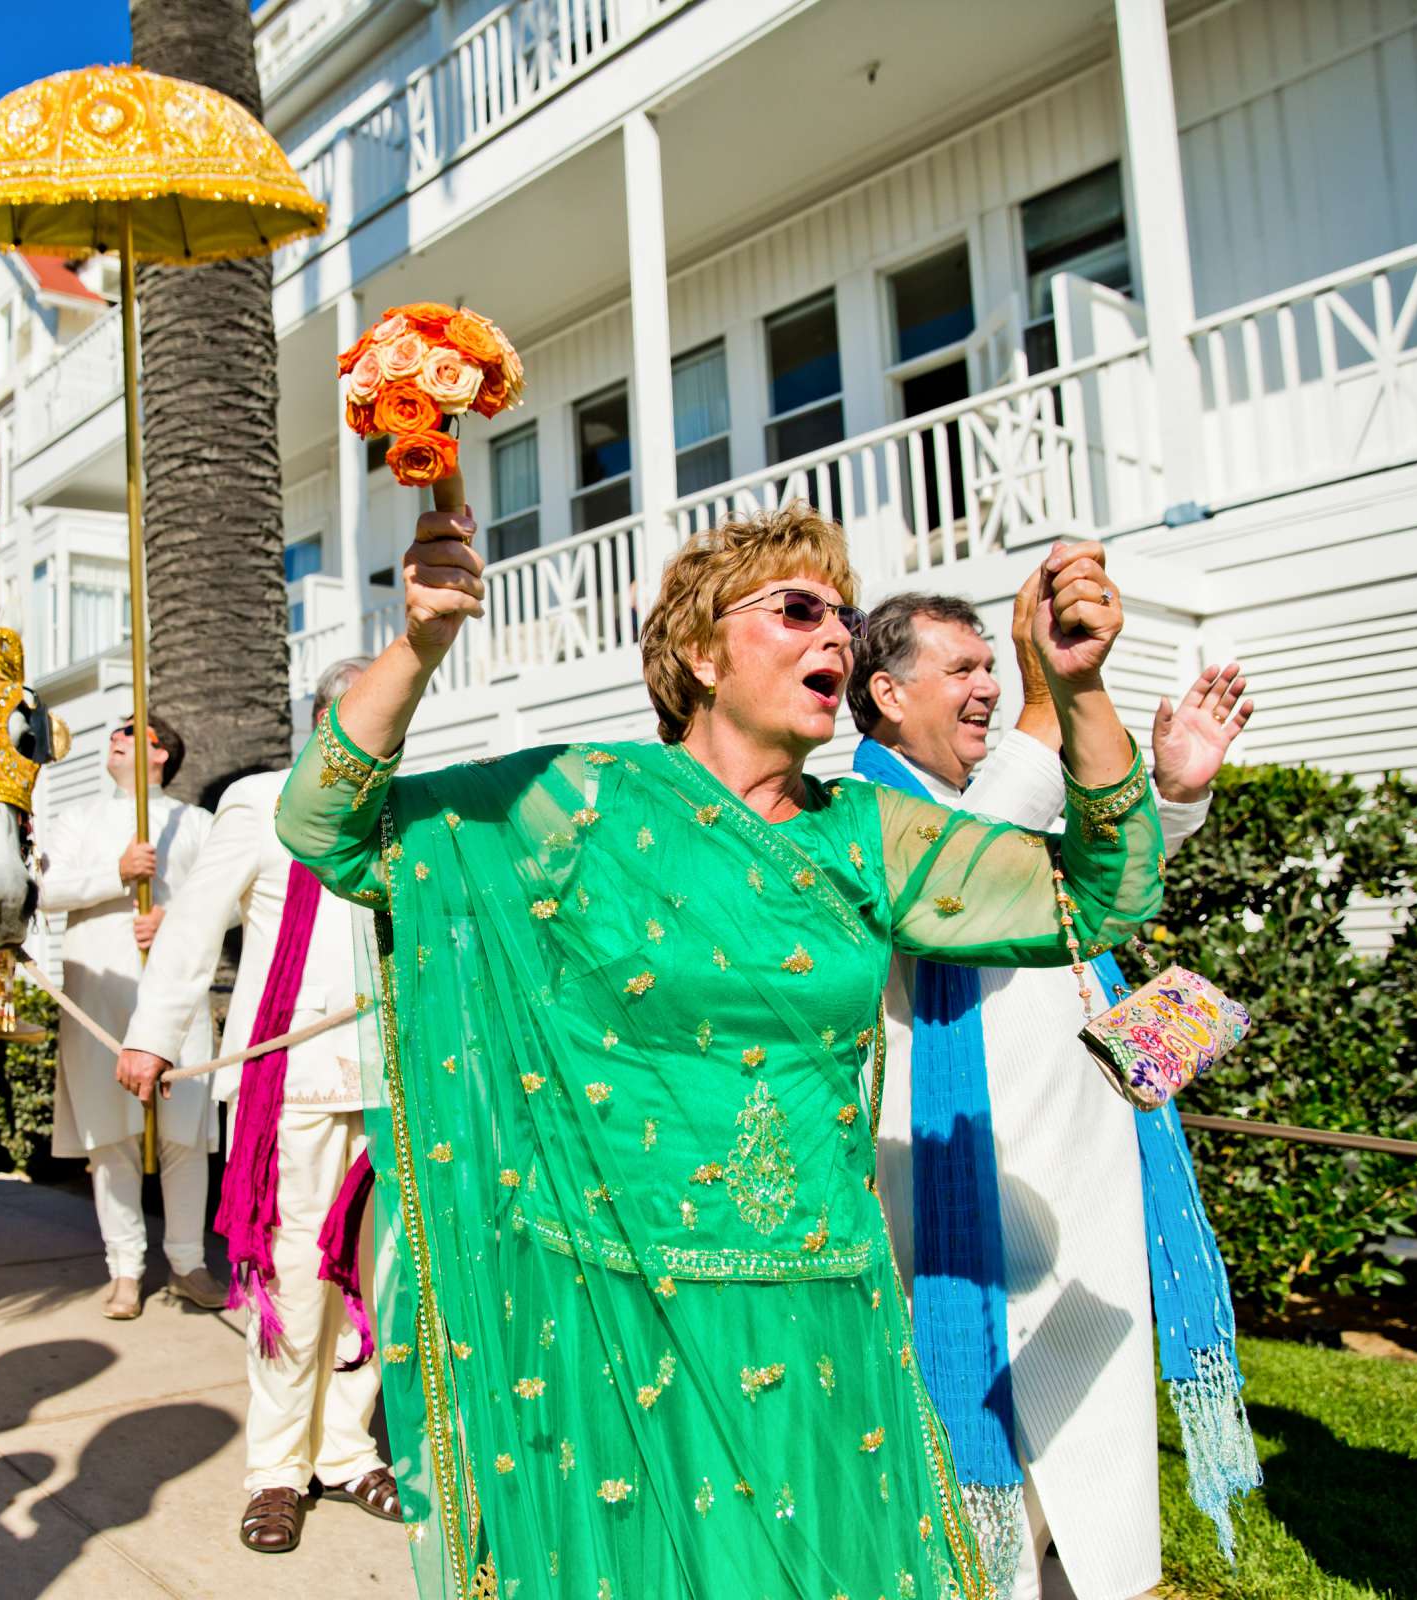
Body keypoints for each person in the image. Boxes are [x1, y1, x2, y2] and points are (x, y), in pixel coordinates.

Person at [273, 502, 1164, 1600]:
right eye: (796, 610)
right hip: (612, 1303)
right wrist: (421, 644)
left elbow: (1103, 896)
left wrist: (1072, 692)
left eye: (841, 614)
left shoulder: (866, 835)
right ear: (699, 650)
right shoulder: (583, 805)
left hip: (819, 1305)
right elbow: (327, 827)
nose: (834, 635)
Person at [849, 584, 1257, 1597]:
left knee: (1087, 1469)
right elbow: (966, 871)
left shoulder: (988, 796)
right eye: (965, 668)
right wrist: (1051, 687)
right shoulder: (865, 812)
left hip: (1087, 1182)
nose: (988, 686)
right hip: (968, 1197)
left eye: (994, 665)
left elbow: (1088, 884)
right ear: (888, 693)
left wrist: (1172, 794)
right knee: (982, 1466)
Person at [117, 659, 397, 1555]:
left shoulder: (410, 808)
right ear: (327, 721)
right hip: (293, 1083)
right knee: (291, 1288)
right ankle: (277, 1470)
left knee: (378, 1286)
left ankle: (349, 1454)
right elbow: (197, 921)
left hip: (393, 1086)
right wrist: (154, 1034)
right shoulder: (265, 801)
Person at [38, 713, 218, 1320]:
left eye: (130, 732)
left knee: (183, 1136)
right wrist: (114, 875)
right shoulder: (76, 821)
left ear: (161, 753)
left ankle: (189, 1261)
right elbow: (44, 890)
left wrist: (174, 916)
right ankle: (124, 1268)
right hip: (97, 997)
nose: (114, 737)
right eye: (113, 732)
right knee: (108, 1137)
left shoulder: (194, 824)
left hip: (174, 1003)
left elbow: (231, 901)